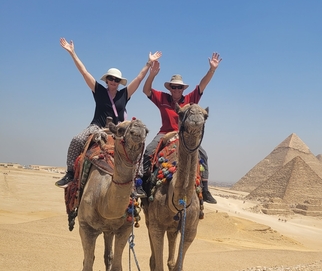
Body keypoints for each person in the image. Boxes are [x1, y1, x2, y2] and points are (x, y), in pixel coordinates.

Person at [55, 37, 161, 197]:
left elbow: (139, 79)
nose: (113, 81)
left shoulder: (124, 94)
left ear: (119, 82)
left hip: (118, 130)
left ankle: (138, 182)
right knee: (77, 140)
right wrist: (72, 53)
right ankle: (70, 173)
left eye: (116, 79)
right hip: (97, 126)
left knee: (138, 145)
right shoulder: (98, 91)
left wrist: (148, 63)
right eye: (111, 78)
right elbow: (84, 72)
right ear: (106, 80)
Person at [142, 52, 222, 203]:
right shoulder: (163, 98)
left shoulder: (190, 99)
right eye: (174, 87)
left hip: (184, 135)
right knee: (148, 152)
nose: (176, 90)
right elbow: (146, 90)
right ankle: (144, 186)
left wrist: (212, 70)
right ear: (170, 88)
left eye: (179, 88)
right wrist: (152, 74)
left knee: (203, 155)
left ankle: (204, 189)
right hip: (165, 133)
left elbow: (202, 85)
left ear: (183, 89)